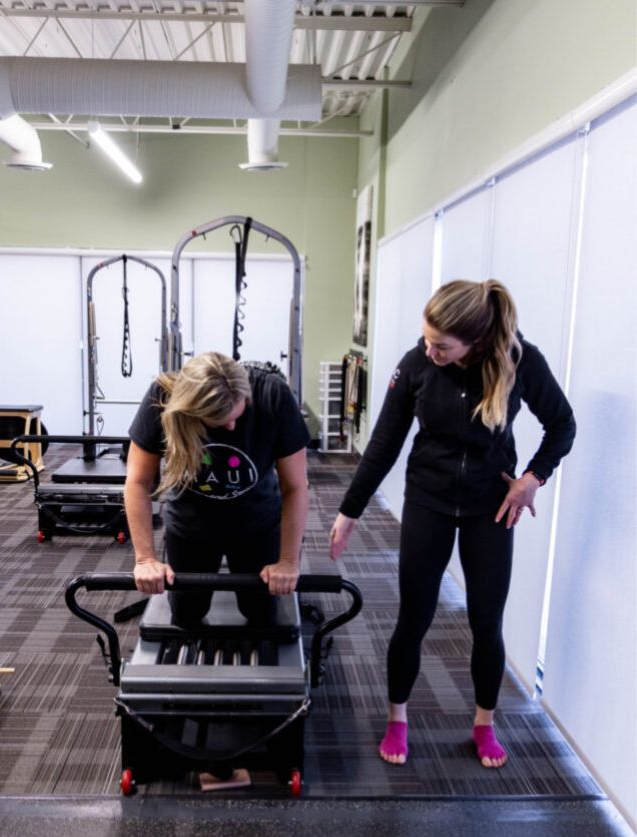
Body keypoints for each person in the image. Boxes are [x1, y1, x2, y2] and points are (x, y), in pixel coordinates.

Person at [329, 280, 576, 769]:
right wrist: (350, 509)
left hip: (491, 507)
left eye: (441, 345)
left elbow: (563, 424)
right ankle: (397, 717)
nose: (429, 350)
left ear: (477, 341)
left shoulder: (521, 361)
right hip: (429, 500)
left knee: (487, 622)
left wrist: (532, 478)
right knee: (414, 617)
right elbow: (384, 443)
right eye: (426, 339)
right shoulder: (417, 364)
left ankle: (484, 723)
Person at [125, 351, 309, 626]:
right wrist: (145, 559)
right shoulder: (163, 398)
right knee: (188, 615)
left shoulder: (273, 395)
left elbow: (295, 486)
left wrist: (288, 562)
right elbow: (138, 482)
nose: (232, 426)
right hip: (190, 527)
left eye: (238, 413)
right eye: (221, 422)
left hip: (257, 524)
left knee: (260, 614)